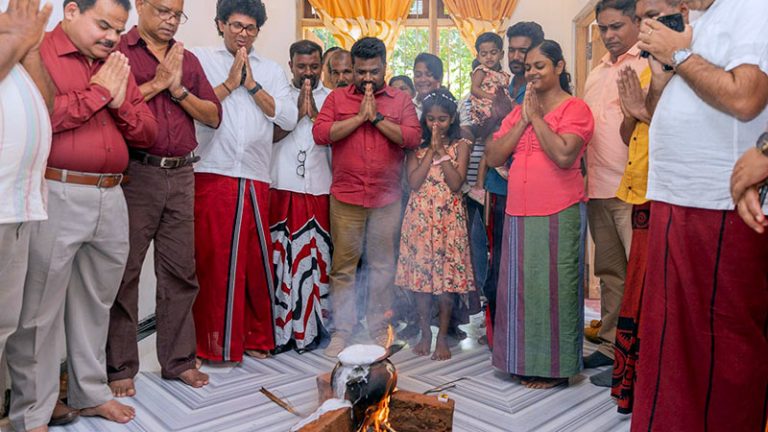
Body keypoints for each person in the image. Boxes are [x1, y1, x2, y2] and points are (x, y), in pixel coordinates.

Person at [5, 0, 159, 429]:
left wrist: (116, 100)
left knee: (97, 303)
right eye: (103, 24)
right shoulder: (40, 52)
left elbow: (147, 130)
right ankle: (32, 413)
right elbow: (44, 116)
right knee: (39, 311)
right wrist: (97, 95)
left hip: (111, 195)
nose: (112, 36)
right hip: (57, 189)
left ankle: (89, 393)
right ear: (71, 11)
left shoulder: (116, 64)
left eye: (118, 29)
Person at [631, 0, 768, 429]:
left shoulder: (753, 8)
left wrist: (679, 53)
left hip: (719, 204)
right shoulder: (698, 20)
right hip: (678, 198)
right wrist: (671, 61)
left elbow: (745, 97)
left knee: (721, 349)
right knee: (670, 344)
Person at [107, 0, 222, 398]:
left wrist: (179, 89)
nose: (171, 21)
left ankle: (178, 362)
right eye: (163, 11)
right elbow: (108, 105)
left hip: (183, 173)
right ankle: (119, 367)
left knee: (180, 273)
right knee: (126, 272)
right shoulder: (119, 50)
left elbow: (212, 114)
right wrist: (157, 83)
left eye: (177, 14)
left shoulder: (186, 59)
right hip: (136, 174)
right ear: (140, 6)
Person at [191, 0, 298, 364]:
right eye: (236, 26)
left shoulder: (269, 69)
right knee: (215, 262)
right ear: (220, 24)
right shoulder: (199, 59)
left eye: (250, 28)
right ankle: (215, 345)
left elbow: (287, 115)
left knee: (254, 263)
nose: (242, 34)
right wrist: (229, 83)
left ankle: (255, 336)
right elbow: (191, 108)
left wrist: (251, 85)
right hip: (212, 171)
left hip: (255, 175)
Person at [486, 40, 594, 389]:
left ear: (559, 67)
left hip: (559, 210)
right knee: (520, 291)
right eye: (529, 66)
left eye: (540, 66)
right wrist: (522, 121)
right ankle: (519, 361)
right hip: (519, 209)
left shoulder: (575, 108)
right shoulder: (520, 110)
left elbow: (564, 155)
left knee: (556, 292)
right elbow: (493, 156)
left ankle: (555, 369)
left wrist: (536, 119)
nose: (531, 71)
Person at [313, 37, 421, 357]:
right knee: (343, 267)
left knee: (382, 267)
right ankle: (342, 331)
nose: (367, 78)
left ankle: (377, 327)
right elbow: (320, 134)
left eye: (374, 71)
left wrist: (376, 119)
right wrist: (359, 118)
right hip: (346, 197)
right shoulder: (336, 98)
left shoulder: (400, 100)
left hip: (386, 200)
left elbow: (412, 138)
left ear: (385, 67)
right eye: (361, 72)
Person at [609, 0, 689, 406]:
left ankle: (660, 387)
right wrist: (635, 110)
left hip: (678, 196)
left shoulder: (693, 63)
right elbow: (633, 132)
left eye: (653, 15)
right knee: (637, 290)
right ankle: (634, 386)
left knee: (663, 296)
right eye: (642, 17)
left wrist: (646, 108)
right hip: (642, 188)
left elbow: (682, 132)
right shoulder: (647, 66)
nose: (645, 25)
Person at [0, 0, 67, 427]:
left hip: (21, 204)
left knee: (6, 328)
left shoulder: (18, 35)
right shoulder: (12, 33)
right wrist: (14, 42)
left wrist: (27, 52)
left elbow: (47, 102)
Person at [581, 0, 645, 386]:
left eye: (617, 26)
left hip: (635, 188)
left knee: (640, 276)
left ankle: (635, 356)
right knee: (609, 272)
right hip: (598, 187)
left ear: (637, 21)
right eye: (603, 28)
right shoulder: (596, 71)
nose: (609, 35)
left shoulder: (649, 63)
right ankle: (609, 346)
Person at [395, 88, 475, 361]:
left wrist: (442, 151)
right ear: (424, 120)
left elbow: (456, 183)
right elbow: (414, 182)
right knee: (421, 281)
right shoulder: (415, 147)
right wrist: (430, 151)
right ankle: (425, 333)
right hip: (419, 219)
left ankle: (442, 335)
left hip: (448, 221)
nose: (436, 124)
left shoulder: (461, 145)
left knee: (445, 281)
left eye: (442, 119)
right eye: (430, 119)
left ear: (452, 118)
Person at [479, 21, 545, 348]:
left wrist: (509, 114)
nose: (517, 56)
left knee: (524, 265)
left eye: (524, 50)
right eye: (514, 50)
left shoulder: (541, 86)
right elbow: (483, 130)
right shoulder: (500, 82)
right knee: (498, 260)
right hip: (499, 187)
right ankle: (497, 333)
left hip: (531, 190)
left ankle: (521, 335)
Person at [270, 40, 332, 352]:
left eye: (313, 66)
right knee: (283, 262)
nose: (308, 73)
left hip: (319, 189)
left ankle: (313, 330)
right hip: (282, 187)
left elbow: (333, 138)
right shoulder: (279, 96)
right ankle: (283, 333)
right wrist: (296, 113)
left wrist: (316, 113)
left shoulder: (332, 99)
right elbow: (267, 137)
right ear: (291, 65)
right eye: (301, 66)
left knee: (316, 262)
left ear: (322, 65)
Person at [469, 32, 511, 137]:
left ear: (501, 54)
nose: (489, 57)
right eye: (484, 54)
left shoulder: (503, 75)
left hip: (500, 105)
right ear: (478, 57)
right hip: (484, 104)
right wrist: (491, 97)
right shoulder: (481, 70)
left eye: (493, 53)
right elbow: (474, 89)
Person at [412, 52, 443, 117]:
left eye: (429, 75)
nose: (423, 80)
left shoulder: (451, 105)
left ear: (439, 78)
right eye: (418, 75)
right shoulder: (408, 106)